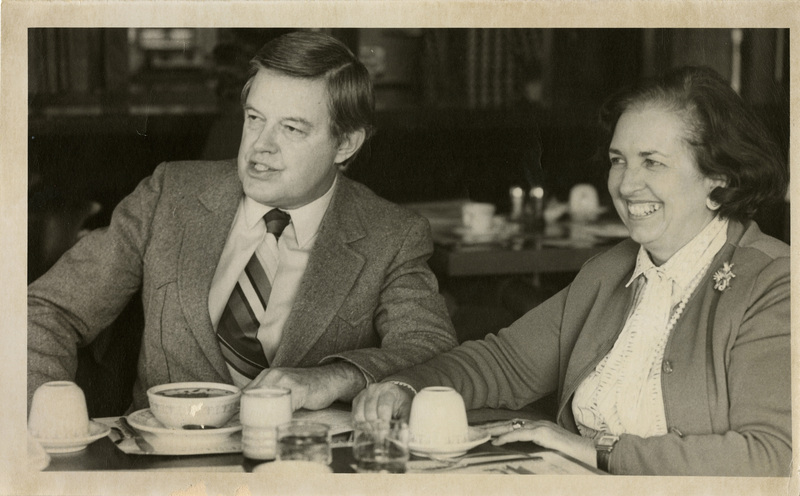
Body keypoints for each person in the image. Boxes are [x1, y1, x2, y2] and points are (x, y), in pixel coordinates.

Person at [352, 66, 790, 476]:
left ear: (719, 178)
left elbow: (771, 457)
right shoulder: (611, 270)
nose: (626, 184)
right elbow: (504, 363)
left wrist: (591, 450)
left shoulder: (774, 282)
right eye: (619, 160)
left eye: (652, 161)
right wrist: (408, 387)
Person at [28, 31, 457, 414]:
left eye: (291, 128)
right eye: (255, 119)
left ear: (345, 143)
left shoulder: (392, 235)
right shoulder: (169, 195)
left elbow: (431, 349)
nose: (260, 147)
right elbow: (48, 309)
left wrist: (336, 377)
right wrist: (45, 426)